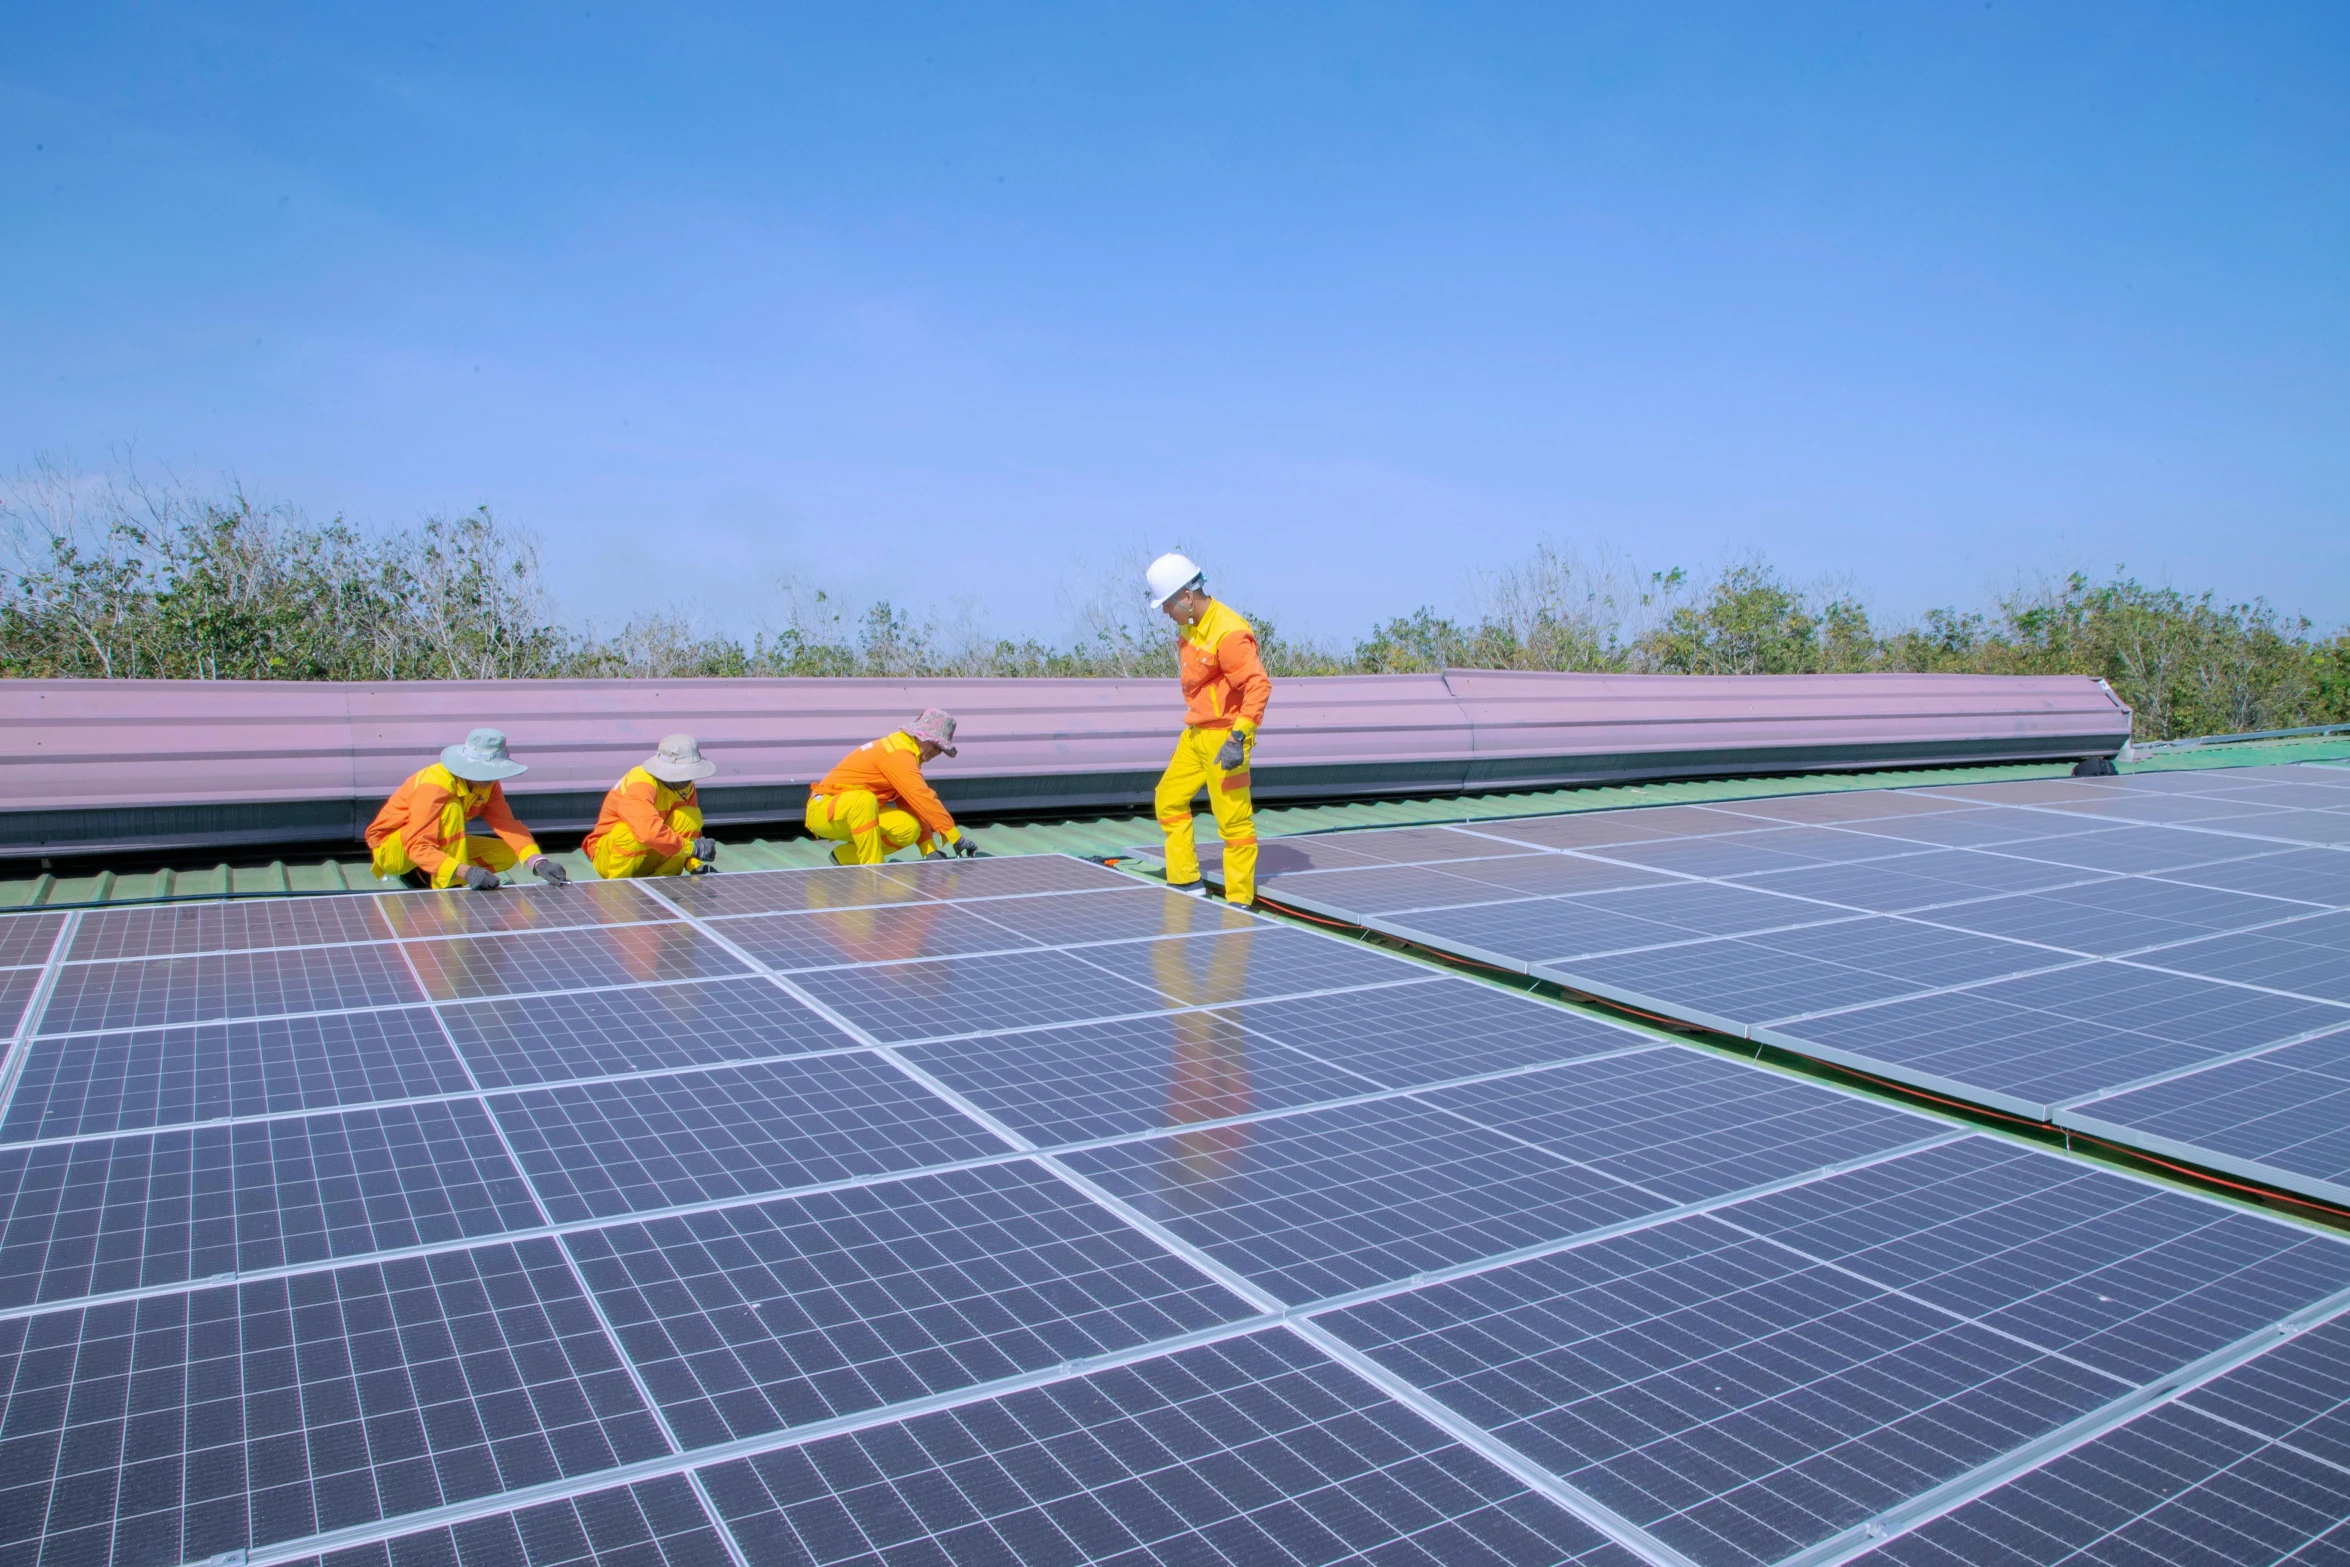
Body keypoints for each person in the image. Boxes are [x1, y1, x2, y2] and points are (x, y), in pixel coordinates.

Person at [1147, 552, 1270, 908]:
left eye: (1168, 605)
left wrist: (1239, 737)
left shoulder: (1229, 632)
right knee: (1168, 799)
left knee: (1234, 822)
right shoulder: (1189, 626)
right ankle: (1186, 882)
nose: (1167, 614)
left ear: (1186, 596)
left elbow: (1258, 686)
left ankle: (1239, 902)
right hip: (1196, 735)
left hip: (1226, 738)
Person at [366, 728, 570, 891]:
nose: (491, 778)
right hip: (394, 852)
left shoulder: (488, 785)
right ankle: (449, 886)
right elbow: (416, 845)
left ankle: (432, 870)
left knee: (507, 854)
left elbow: (508, 825)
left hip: (432, 846)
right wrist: (467, 872)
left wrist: (538, 861)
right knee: (452, 808)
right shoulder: (434, 786)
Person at [805, 709, 980, 865]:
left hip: (852, 815)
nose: (936, 753)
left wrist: (928, 849)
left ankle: (845, 856)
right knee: (864, 800)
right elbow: (922, 796)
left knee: (908, 828)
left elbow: (911, 802)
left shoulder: (905, 754)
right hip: (823, 811)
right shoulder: (897, 754)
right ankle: (872, 870)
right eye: (934, 745)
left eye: (941, 749)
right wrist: (955, 837)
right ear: (919, 736)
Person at [585, 733, 721, 879]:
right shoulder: (641, 783)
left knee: (687, 817)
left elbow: (689, 833)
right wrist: (693, 849)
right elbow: (647, 831)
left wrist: (695, 865)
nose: (688, 779)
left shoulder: (685, 786)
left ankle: (665, 881)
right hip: (611, 858)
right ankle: (620, 885)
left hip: (649, 855)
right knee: (630, 832)